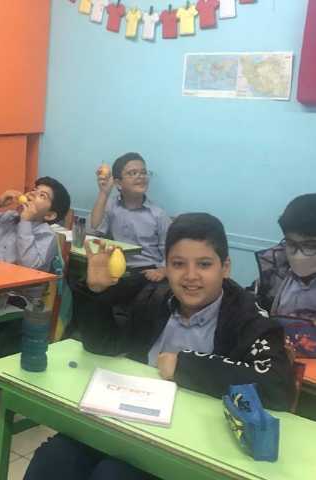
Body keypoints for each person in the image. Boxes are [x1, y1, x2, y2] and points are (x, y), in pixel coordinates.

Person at [24, 213, 295, 480]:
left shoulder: (248, 317)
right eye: (178, 264)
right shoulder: (154, 298)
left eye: (204, 264)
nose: (190, 276)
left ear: (225, 267)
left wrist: (186, 365)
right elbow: (103, 346)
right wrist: (96, 294)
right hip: (128, 424)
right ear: (166, 267)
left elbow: (277, 386)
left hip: (192, 446)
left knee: (113, 474)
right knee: (54, 458)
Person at [89, 152, 171, 282]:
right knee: (83, 286)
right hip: (114, 268)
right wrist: (104, 193)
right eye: (133, 173)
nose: (140, 177)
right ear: (118, 183)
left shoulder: (158, 214)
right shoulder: (110, 206)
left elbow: (171, 251)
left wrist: (162, 270)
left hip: (145, 270)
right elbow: (93, 231)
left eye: (143, 172)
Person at [253, 193, 316, 357]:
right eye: (291, 243)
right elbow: (252, 309)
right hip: (278, 360)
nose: (298, 254)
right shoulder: (275, 272)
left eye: (310, 245)